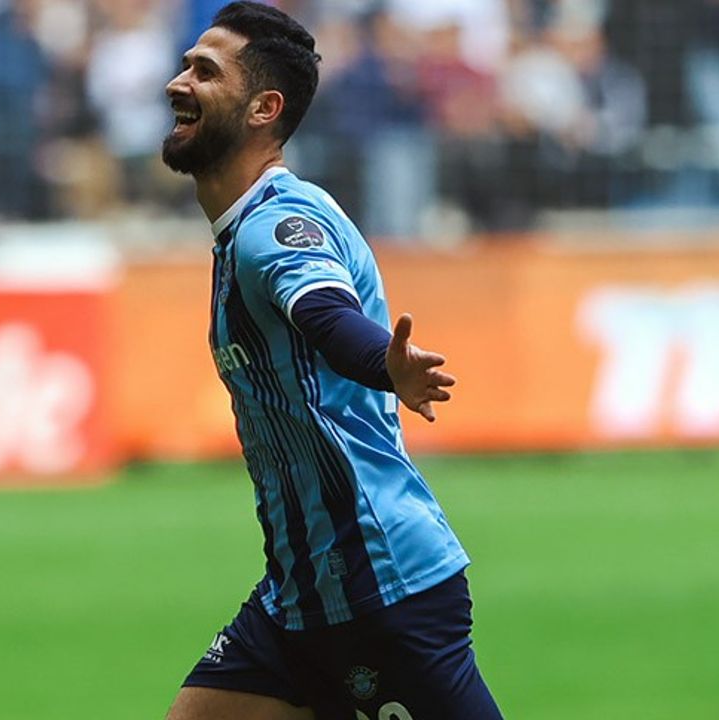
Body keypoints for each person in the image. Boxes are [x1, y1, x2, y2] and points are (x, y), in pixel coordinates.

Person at [159, 3, 502, 718]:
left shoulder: (275, 226)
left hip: (378, 586)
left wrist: (385, 365)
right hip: (298, 592)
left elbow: (325, 313)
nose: (177, 83)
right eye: (186, 65)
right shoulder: (243, 227)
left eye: (205, 72)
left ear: (264, 109)